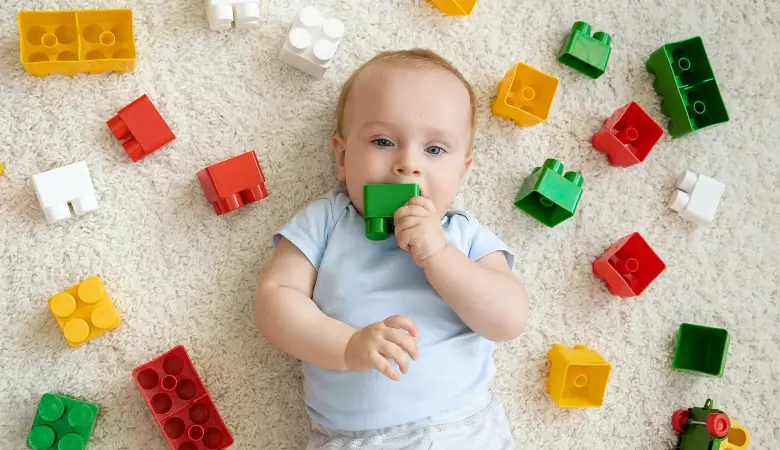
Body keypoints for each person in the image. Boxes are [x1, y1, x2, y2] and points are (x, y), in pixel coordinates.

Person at [254, 48, 529, 449]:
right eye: (383, 141)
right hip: (352, 437)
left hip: (462, 428)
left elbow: (508, 319)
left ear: (462, 170)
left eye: (434, 150)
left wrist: (440, 257)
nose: (407, 164)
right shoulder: (328, 220)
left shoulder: (463, 234)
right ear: (343, 157)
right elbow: (274, 300)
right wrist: (346, 347)